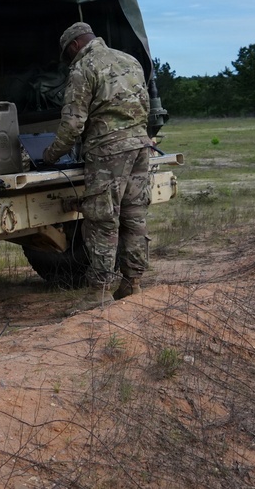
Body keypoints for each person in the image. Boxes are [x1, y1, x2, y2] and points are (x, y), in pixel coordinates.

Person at [42, 22, 152, 313]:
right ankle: (133, 282)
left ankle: (100, 291)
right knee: (134, 216)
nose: (70, 60)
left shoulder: (83, 67)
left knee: (102, 219)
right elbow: (145, 104)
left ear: (75, 45)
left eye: (68, 54)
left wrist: (51, 155)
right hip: (141, 145)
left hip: (108, 152)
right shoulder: (130, 60)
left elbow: (73, 124)